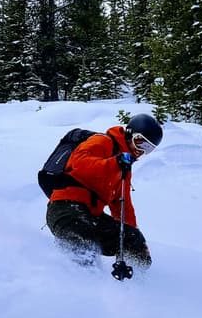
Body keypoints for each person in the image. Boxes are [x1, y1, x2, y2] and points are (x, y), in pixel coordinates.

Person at [45, 113, 163, 267]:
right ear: (129, 133)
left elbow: (123, 206)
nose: (141, 150)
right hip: (65, 209)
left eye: (148, 148)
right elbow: (79, 163)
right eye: (139, 142)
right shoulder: (103, 142)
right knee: (85, 244)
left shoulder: (124, 169)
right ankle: (75, 282)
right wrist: (115, 163)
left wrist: (135, 238)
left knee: (133, 240)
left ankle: (137, 283)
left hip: (91, 217)